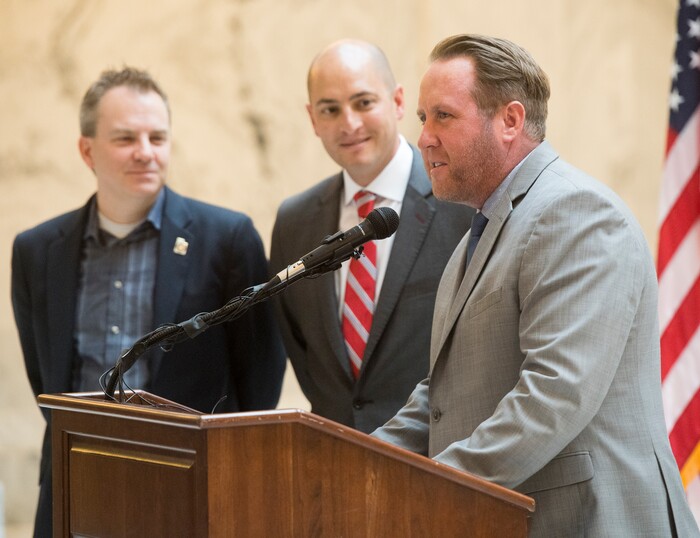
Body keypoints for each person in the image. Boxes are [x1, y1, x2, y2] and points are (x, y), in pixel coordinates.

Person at [371, 34, 700, 536]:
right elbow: (441, 398)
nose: (424, 138)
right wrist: (358, 464)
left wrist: (432, 483)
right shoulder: (478, 236)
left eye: (444, 116)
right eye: (422, 118)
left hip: (592, 521)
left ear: (510, 120)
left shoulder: (577, 213)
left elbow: (554, 393)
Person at [11, 67, 286, 537]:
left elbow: (258, 375)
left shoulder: (227, 239)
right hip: (75, 486)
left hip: (194, 487)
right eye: (125, 138)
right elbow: (46, 374)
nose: (145, 152)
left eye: (157, 137)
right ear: (86, 150)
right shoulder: (37, 250)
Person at [269, 40, 473, 433]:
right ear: (313, 119)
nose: (349, 124)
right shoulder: (294, 221)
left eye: (364, 103)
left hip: (441, 465)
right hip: (334, 462)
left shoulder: (461, 206)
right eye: (330, 109)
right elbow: (301, 348)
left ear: (397, 102)